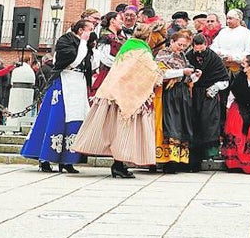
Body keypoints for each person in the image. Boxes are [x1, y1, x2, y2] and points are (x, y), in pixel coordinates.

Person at [72, 23, 160, 178]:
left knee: (114, 130)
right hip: (129, 97)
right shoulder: (143, 51)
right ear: (148, 36)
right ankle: (119, 165)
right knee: (124, 132)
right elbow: (151, 72)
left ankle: (118, 164)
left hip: (112, 93)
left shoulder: (126, 47)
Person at [22, 18, 92, 174]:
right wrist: (83, 43)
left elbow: (88, 64)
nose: (92, 32)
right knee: (54, 118)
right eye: (90, 28)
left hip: (78, 84)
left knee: (76, 119)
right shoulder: (65, 41)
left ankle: (68, 160)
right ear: (81, 30)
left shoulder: (86, 44)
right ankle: (45, 158)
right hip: (64, 82)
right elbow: (74, 61)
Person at [186, 32, 228, 171]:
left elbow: (224, 79)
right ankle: (193, 158)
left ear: (206, 45)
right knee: (193, 124)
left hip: (209, 94)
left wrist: (214, 88)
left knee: (209, 123)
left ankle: (210, 154)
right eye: (196, 50)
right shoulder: (189, 56)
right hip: (193, 93)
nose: (199, 53)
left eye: (202, 50)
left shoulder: (214, 58)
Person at [154, 28, 195, 172]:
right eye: (179, 44)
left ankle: (177, 159)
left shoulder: (183, 56)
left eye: (184, 46)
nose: (181, 48)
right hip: (168, 92)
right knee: (169, 124)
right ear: (171, 41)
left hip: (181, 92)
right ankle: (165, 159)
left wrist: (194, 75)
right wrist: (181, 72)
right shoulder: (163, 54)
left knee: (180, 124)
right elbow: (161, 73)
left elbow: (187, 76)